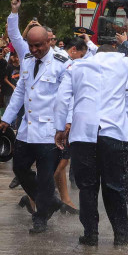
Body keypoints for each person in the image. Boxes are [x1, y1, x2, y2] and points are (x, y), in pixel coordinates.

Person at [54, 25, 128, 246]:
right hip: (113, 134)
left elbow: (62, 100)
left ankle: (91, 234)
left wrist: (60, 129)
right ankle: (121, 234)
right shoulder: (122, 62)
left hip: (82, 135)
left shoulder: (76, 66)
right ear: (114, 52)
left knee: (87, 187)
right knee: (114, 185)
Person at [0, 0, 71, 234]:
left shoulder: (62, 63)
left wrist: (66, 125)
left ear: (49, 41)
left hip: (50, 131)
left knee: (45, 175)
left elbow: (68, 96)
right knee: (19, 169)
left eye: (39, 45)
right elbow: (20, 91)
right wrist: (7, 118)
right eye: (31, 46)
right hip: (27, 130)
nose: (34, 50)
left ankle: (41, 216)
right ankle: (49, 201)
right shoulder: (28, 61)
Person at [52, 38, 87, 216]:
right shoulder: (67, 64)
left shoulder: (56, 58)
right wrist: (68, 121)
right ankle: (38, 194)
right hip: (60, 119)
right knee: (61, 161)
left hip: (54, 117)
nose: (81, 59)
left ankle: (65, 200)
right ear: (74, 49)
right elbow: (66, 96)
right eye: (81, 55)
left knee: (62, 162)